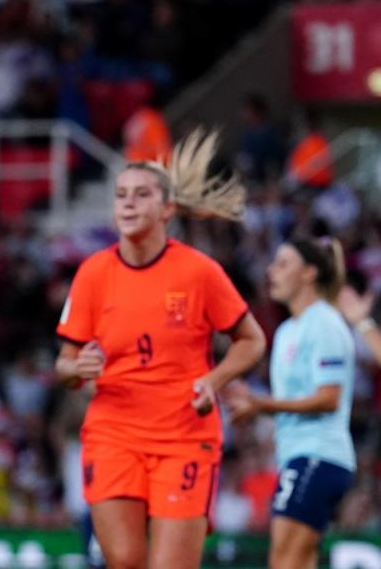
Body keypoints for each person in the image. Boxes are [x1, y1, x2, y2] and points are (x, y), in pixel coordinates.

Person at [54, 129, 266, 569]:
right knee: (126, 560)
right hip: (113, 435)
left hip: (184, 438)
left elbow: (252, 339)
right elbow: (64, 364)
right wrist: (78, 368)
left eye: (141, 194)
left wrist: (215, 379)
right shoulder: (93, 273)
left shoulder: (199, 272)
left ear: (167, 208)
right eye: (121, 195)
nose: (128, 203)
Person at [228, 237, 355, 569]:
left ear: (309, 273)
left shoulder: (325, 323)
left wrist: (262, 404)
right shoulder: (286, 330)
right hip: (297, 456)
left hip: (319, 455)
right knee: (297, 561)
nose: (271, 271)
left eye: (283, 263)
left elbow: (329, 398)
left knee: (284, 562)